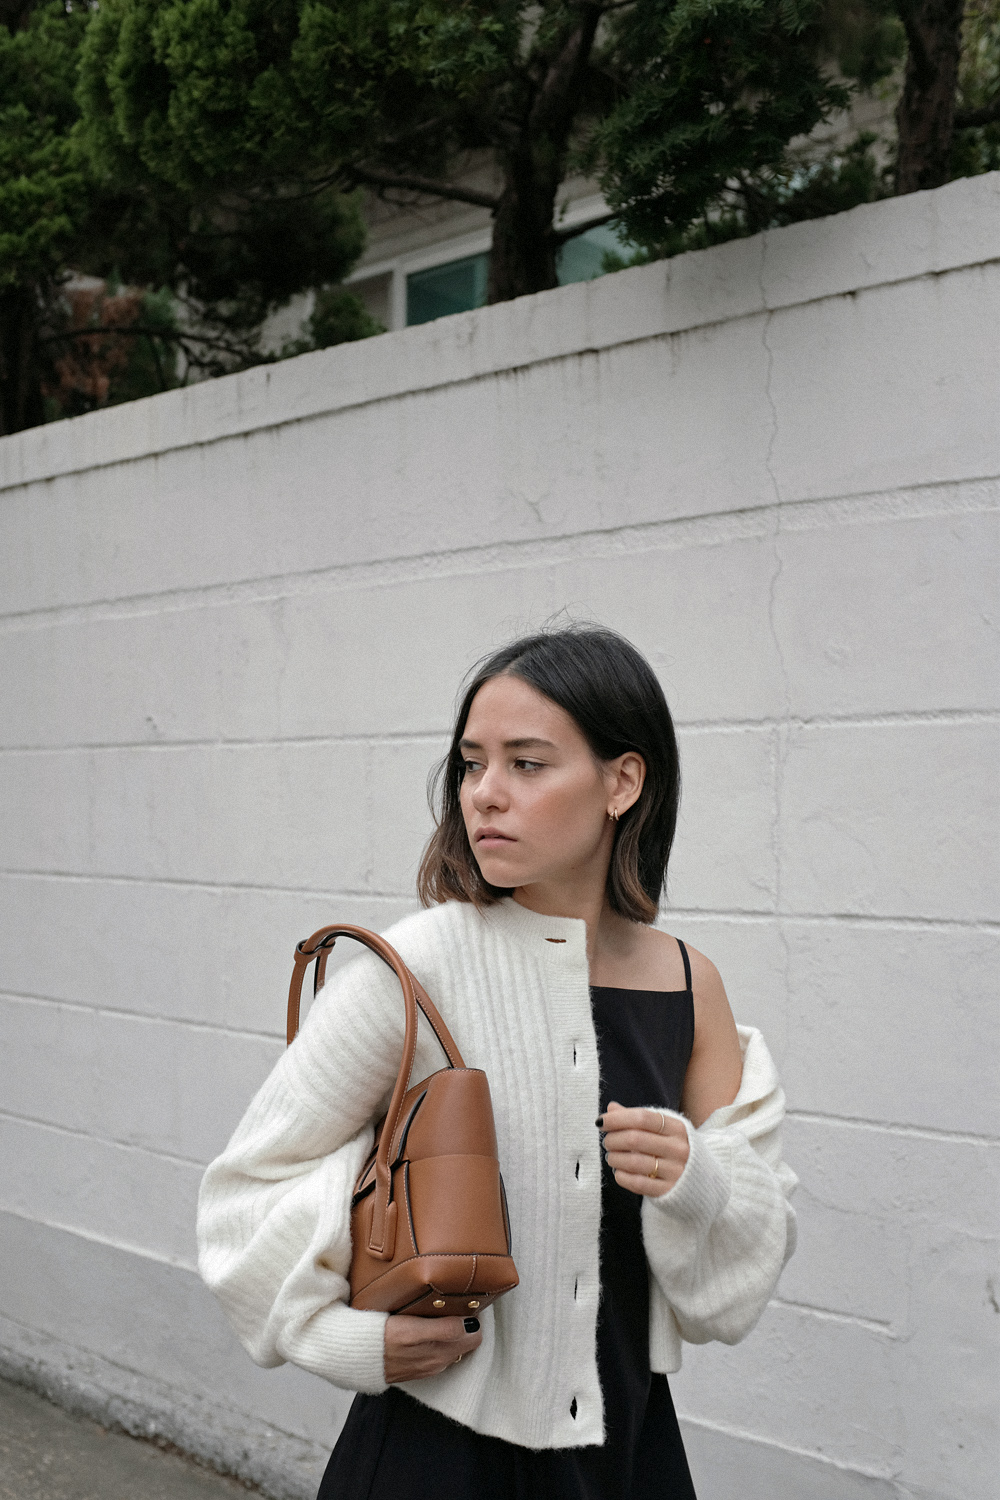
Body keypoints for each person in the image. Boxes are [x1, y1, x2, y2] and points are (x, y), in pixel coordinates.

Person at [197, 626, 797, 1500]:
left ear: (622, 783)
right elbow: (244, 1193)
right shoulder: (414, 969)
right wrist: (345, 1340)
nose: (484, 795)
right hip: (435, 1456)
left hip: (628, 1450)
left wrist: (694, 1178)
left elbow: (754, 1245)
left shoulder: (689, 985)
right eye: (472, 764)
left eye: (527, 763)